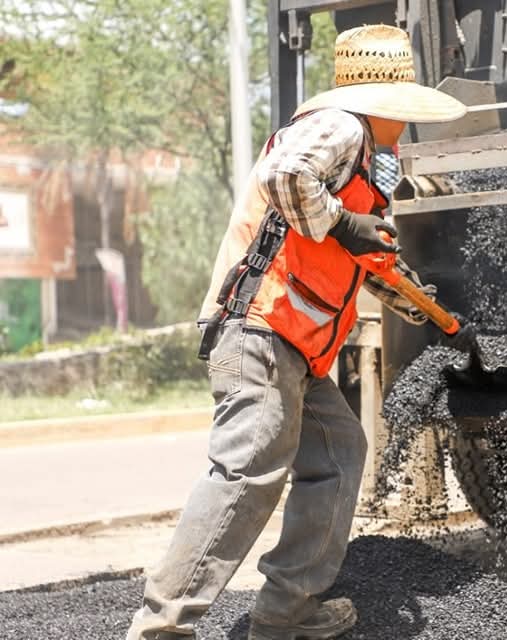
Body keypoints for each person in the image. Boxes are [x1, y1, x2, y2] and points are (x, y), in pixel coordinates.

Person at [126, 24, 467, 640]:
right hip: (260, 329)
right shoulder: (339, 125)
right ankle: (161, 628)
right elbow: (284, 177)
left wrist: (425, 307)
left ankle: (286, 612)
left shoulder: (364, 168)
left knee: (340, 455)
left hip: (297, 351)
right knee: (249, 467)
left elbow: (366, 259)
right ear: (385, 99)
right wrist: (343, 226)